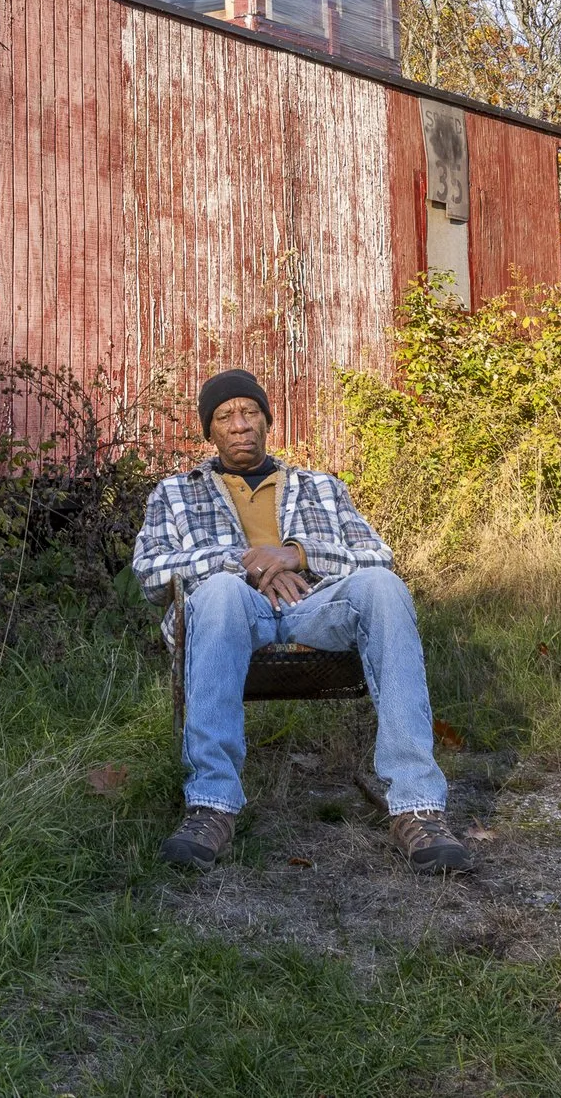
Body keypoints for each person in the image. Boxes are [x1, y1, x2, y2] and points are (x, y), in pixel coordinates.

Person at [131, 368, 473, 876]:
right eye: (225, 416)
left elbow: (377, 555)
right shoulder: (175, 493)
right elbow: (150, 572)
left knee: (384, 587)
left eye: (249, 412)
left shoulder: (322, 487)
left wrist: (296, 553)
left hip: (315, 606)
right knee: (221, 592)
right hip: (235, 611)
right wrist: (244, 561)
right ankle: (211, 805)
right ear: (210, 431)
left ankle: (417, 806)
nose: (240, 424)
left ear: (267, 421)